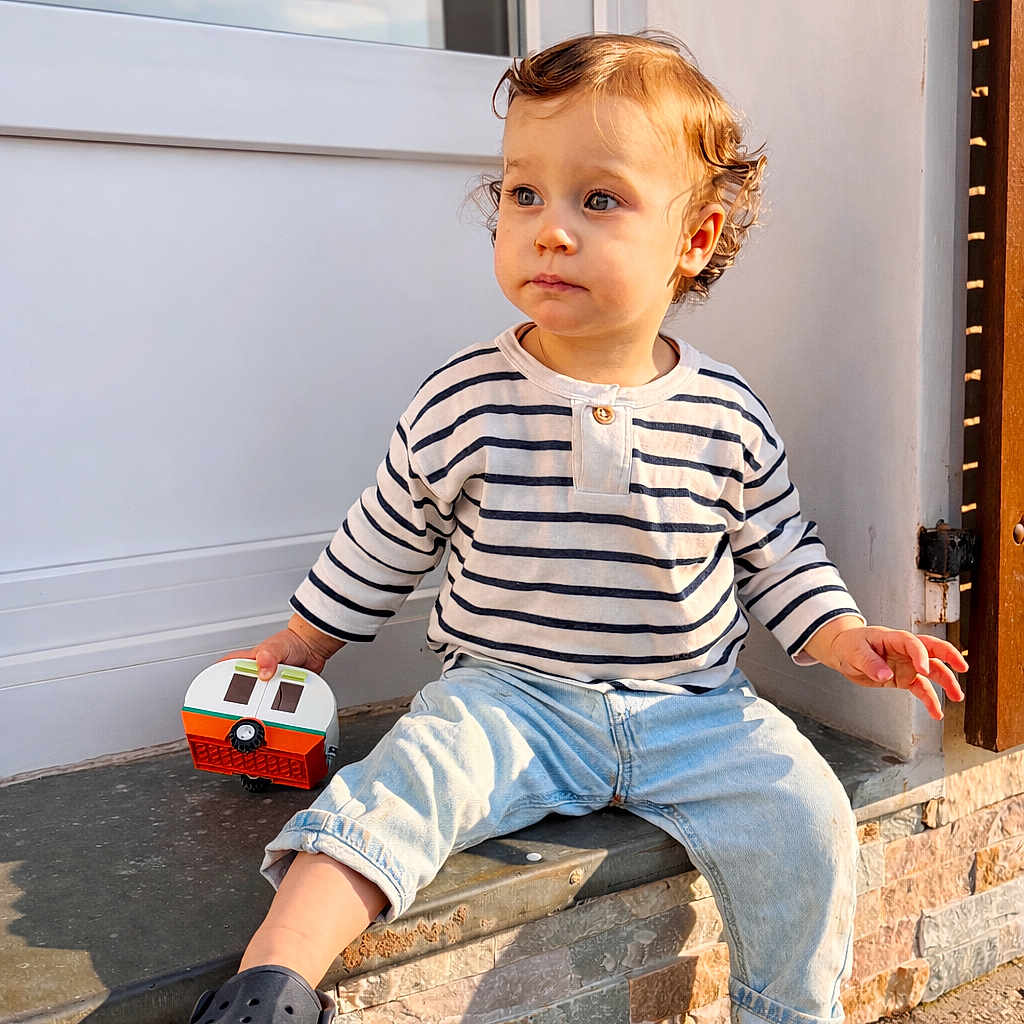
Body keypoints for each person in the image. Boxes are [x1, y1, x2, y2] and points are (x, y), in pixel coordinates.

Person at [188, 31, 967, 1024]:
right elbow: (384, 537)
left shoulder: (725, 413)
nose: (549, 230)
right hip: (511, 703)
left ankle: (785, 1013)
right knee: (392, 789)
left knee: (808, 817)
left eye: (597, 199)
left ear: (694, 238)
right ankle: (272, 983)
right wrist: (300, 645)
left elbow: (779, 556)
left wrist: (845, 638)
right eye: (523, 194)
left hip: (693, 712)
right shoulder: (465, 398)